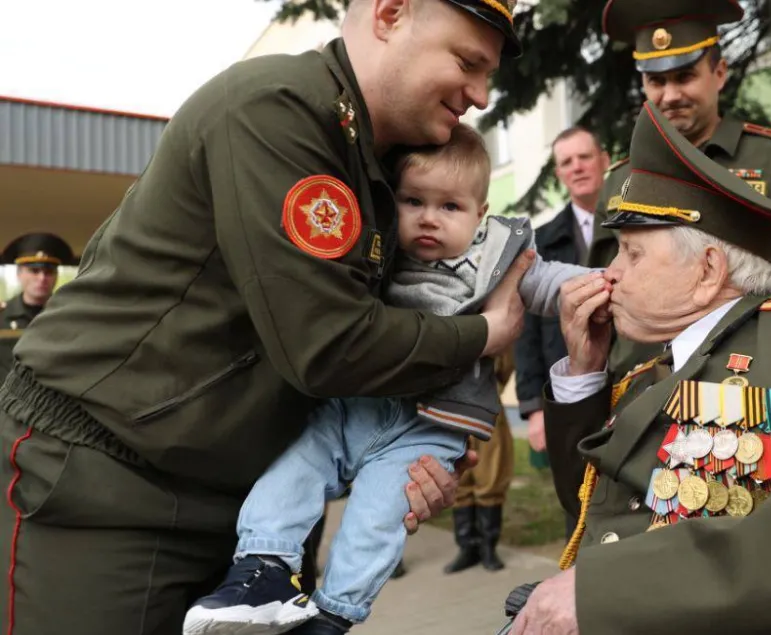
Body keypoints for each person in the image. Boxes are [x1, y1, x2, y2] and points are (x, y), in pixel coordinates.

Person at [0, 1, 525, 633]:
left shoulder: (390, 161)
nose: (480, 93)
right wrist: (488, 331)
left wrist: (415, 446)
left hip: (251, 497)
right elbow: (330, 346)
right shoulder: (276, 112)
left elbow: (387, 334)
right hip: (109, 484)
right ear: (390, 13)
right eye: (467, 62)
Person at [509, 100, 771, 634]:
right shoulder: (650, 370)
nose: (609, 274)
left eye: (632, 255)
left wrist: (608, 589)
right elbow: (592, 511)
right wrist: (583, 372)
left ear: (708, 271)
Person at [184, 124, 589, 635]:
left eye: (450, 207)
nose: (428, 219)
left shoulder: (498, 256)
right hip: (354, 404)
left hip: (427, 429)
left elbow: (550, 280)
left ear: (480, 215)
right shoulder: (376, 250)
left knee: (376, 520)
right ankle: (262, 568)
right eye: (413, 200)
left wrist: (603, 285)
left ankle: (332, 616)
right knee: (293, 468)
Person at [587, 0, 771, 380]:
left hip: (748, 388)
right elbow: (606, 293)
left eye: (685, 76)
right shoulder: (620, 180)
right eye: (657, 81)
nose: (670, 95)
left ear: (719, 73)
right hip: (643, 389)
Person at [513, 126, 610, 540]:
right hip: (571, 393)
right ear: (559, 174)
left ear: (604, 161)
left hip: (626, 382)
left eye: (584, 157)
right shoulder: (544, 241)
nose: (577, 167)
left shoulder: (634, 225)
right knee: (578, 495)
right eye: (567, 162)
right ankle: (580, 581)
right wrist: (535, 407)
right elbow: (526, 331)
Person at [442, 347, 516, 574]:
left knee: (491, 476)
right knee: (457, 478)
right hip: (450, 407)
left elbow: (505, 365)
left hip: (487, 405)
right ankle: (467, 547)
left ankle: (488, 547)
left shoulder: (492, 315)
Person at [0, 232, 75, 329]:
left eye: (48, 272)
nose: (42, 278)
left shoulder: (69, 314)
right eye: (34, 271)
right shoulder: (3, 315)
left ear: (56, 276)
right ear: (19, 274)